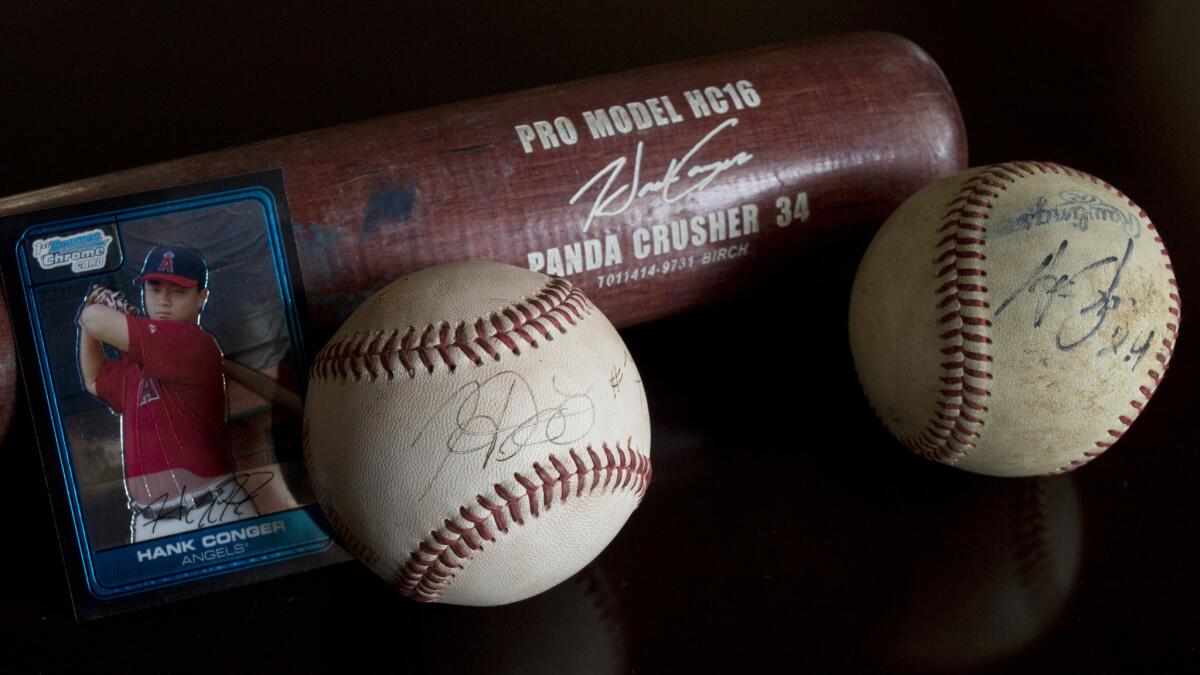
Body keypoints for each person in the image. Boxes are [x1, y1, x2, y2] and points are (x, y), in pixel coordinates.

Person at [77, 243, 258, 543]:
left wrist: (93, 314)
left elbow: (98, 320)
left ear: (202, 298)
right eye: (155, 289)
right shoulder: (140, 359)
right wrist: (88, 326)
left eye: (178, 291)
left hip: (211, 514)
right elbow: (93, 379)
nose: (163, 301)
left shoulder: (193, 343)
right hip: (149, 523)